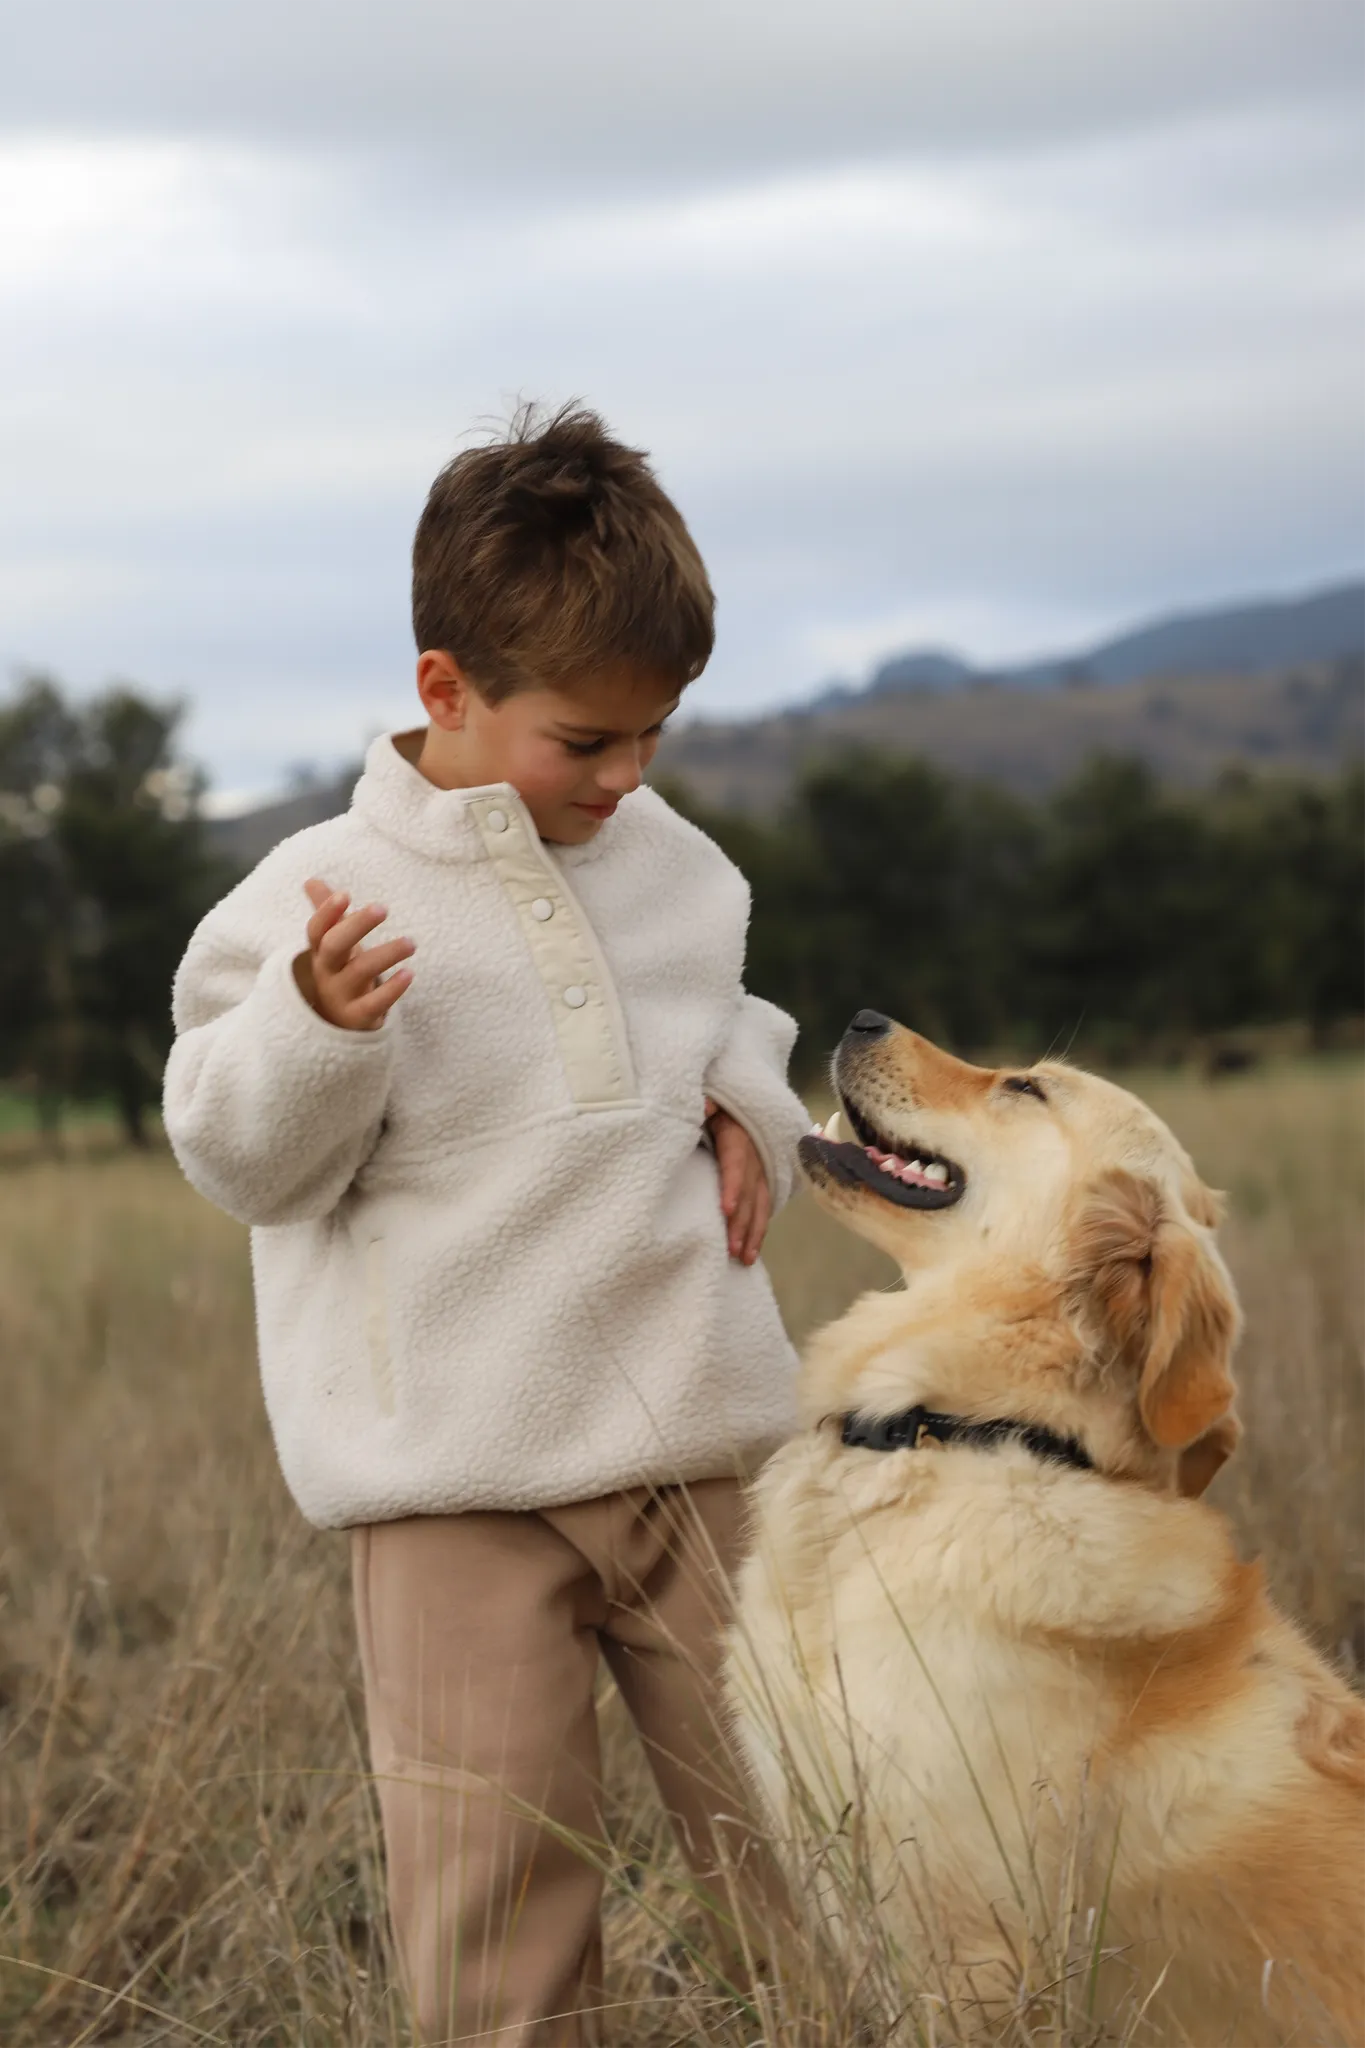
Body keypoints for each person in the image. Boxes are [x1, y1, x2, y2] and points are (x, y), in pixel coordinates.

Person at [162, 404, 808, 2045]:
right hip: (453, 1488)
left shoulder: (682, 871)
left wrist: (752, 1096)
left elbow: (724, 1017)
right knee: (498, 1929)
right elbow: (241, 1155)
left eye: (654, 735)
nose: (627, 776)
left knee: (826, 1853)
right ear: (447, 690)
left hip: (705, 1452)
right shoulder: (302, 909)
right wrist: (319, 1023)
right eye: (586, 743)